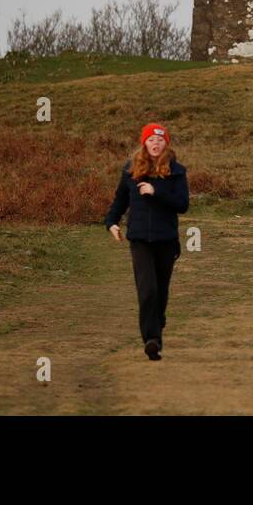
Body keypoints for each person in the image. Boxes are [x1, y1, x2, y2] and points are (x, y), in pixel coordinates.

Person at [104, 122, 190, 361]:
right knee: (147, 290)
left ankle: (157, 322)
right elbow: (120, 200)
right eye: (151, 140)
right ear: (144, 143)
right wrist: (111, 222)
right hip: (140, 239)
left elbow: (183, 205)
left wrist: (157, 192)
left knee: (160, 292)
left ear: (166, 144)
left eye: (160, 140)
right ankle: (152, 340)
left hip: (166, 240)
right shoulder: (131, 170)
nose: (156, 144)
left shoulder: (177, 171)